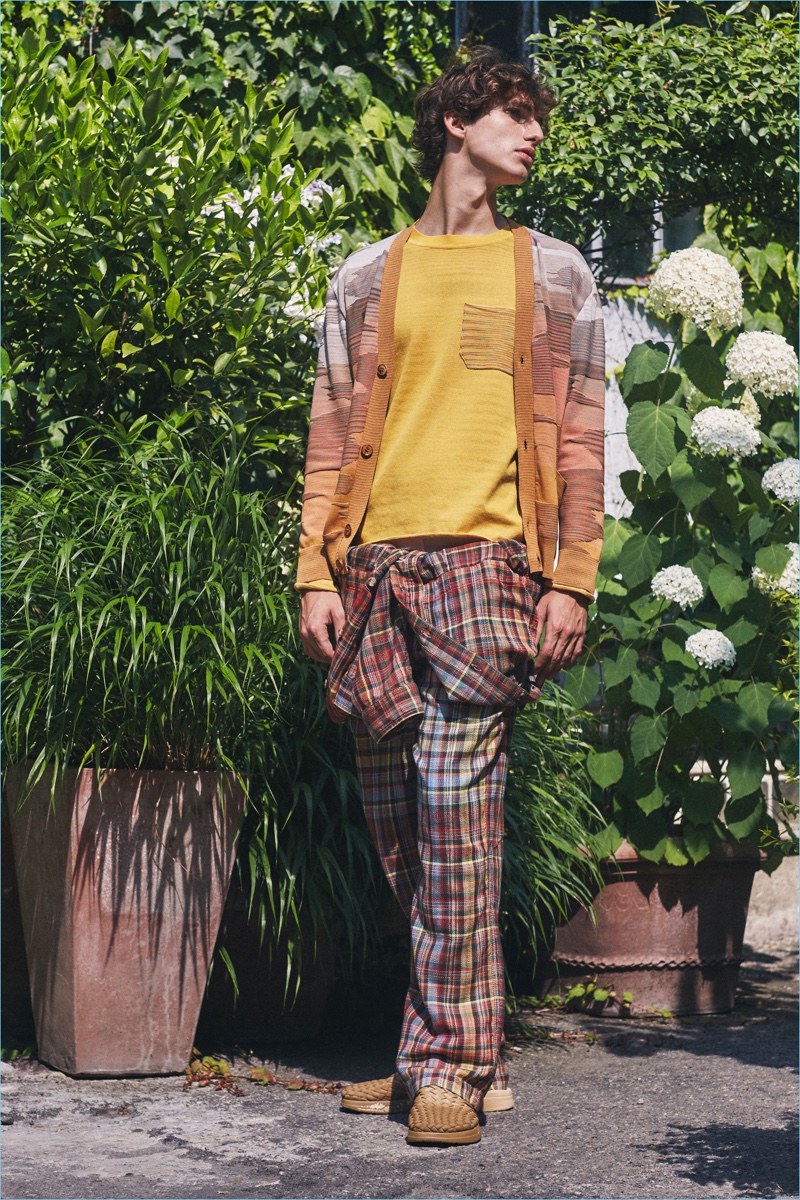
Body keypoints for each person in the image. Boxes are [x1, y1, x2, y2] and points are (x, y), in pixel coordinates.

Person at [295, 45, 605, 1147]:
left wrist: (571, 579)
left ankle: (447, 1069)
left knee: (458, 820)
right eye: (514, 113)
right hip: (376, 572)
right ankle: (462, 1043)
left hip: (489, 571)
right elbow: (331, 431)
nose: (534, 133)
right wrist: (314, 570)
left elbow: (580, 435)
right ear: (457, 125)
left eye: (535, 117)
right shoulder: (364, 278)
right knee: (402, 832)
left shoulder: (555, 273)